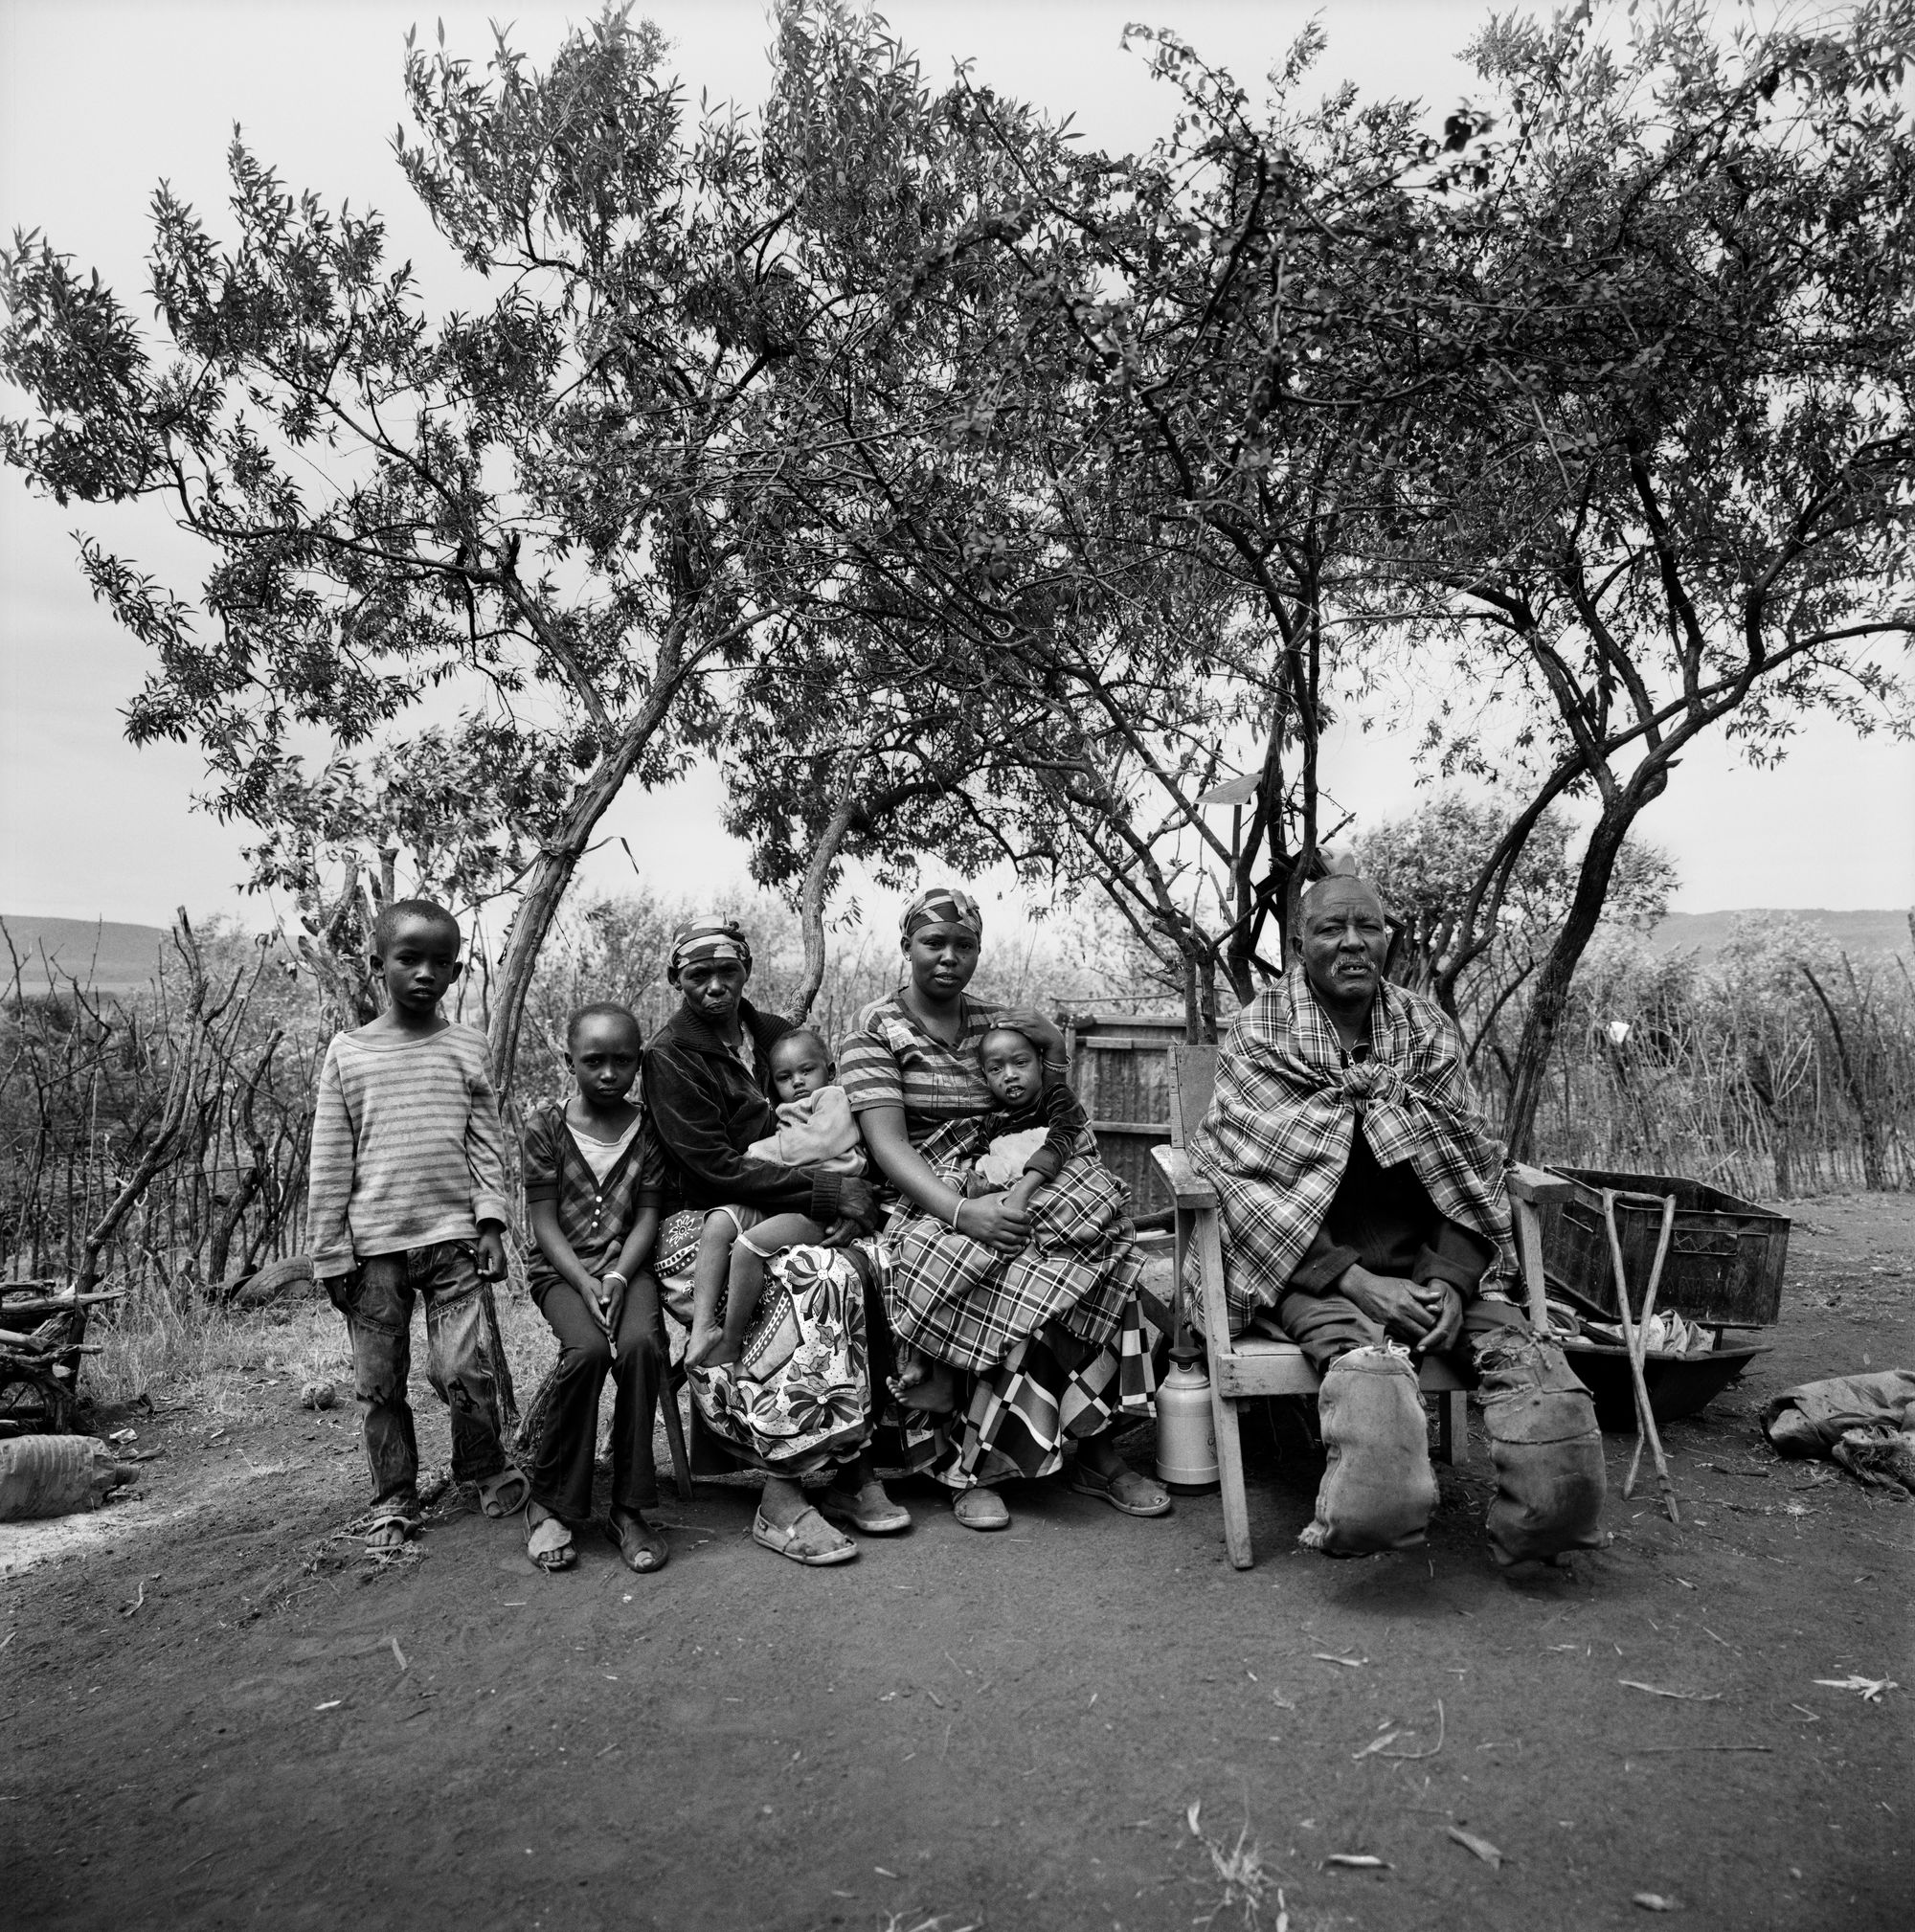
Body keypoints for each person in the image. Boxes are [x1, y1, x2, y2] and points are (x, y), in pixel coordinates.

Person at [1186, 872, 1606, 1563]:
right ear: (1299, 944)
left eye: (1368, 927)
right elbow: (1243, 1180)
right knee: (1373, 1475)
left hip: (1427, 1265)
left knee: (1549, 1414)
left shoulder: (1425, 1030)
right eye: (1330, 929)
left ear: (1387, 937)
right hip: (1313, 1277)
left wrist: (1449, 1280)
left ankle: (1529, 1538)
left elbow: (1465, 1165)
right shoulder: (1258, 1034)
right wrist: (1353, 1282)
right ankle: (1374, 1506)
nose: (1352, 943)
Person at [839, 887, 1170, 1532]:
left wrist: (1057, 1053)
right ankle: (966, 1468)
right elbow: (888, 1146)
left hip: (1021, 1176)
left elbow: (1053, 1103)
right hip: (933, 1197)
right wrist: (966, 1214)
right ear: (906, 946)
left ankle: (1097, 1453)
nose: (948, 957)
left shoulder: (998, 1023)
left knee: (1100, 1252)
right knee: (978, 1266)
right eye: (934, 943)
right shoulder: (874, 1030)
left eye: (964, 945)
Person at [642, 918, 911, 1565]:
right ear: (676, 978)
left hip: (789, 1208)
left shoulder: (772, 1038)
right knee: (812, 1281)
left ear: (746, 971)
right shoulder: (668, 1057)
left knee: (867, 1262)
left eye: (726, 972)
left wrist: (854, 1194)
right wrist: (824, 1195)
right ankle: (782, 1496)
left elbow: (838, 1119)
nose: (713, 987)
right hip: (702, 1224)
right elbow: (713, 1166)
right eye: (697, 975)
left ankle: (849, 1464)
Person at [305, 898, 525, 1552]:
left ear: (456, 973)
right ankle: (394, 1496)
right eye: (409, 959)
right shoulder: (350, 1054)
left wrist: (492, 1222)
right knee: (379, 1382)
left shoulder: (466, 1046)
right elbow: (330, 1157)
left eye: (439, 962)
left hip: (455, 1240)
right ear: (379, 965)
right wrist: (329, 1253)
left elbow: (486, 1141)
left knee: (461, 1369)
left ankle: (481, 1468)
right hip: (374, 1251)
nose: (424, 973)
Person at [518, 1002, 670, 1575]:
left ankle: (628, 1508)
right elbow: (544, 1222)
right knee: (584, 1352)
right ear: (569, 1062)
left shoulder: (648, 1129)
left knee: (640, 1348)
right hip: (561, 1272)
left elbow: (649, 1218)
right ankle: (549, 1502)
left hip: (628, 1268)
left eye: (622, 1062)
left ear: (638, 1063)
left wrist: (615, 1276)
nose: (609, 1074)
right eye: (594, 1061)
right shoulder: (544, 1128)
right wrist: (582, 1280)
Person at [683, 1027, 862, 1371]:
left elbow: (820, 1143)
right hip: (785, 1197)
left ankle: (731, 1340)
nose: (797, 1082)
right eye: (785, 1076)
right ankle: (703, 1325)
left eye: (806, 1070)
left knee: (750, 1246)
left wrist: (759, 1152)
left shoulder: (832, 1098)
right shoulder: (784, 1112)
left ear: (831, 1070)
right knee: (719, 1222)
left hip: (820, 1208)